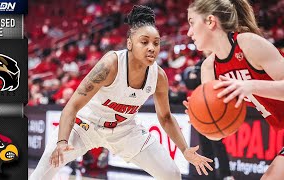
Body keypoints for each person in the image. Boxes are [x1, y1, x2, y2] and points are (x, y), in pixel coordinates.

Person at [29, 5, 213, 180]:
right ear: (130, 44)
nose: (151, 47)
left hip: (124, 131)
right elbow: (72, 106)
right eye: (144, 42)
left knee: (172, 174)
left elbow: (165, 117)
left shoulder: (159, 76)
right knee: (44, 168)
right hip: (85, 125)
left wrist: (184, 149)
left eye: (156, 43)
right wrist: (62, 142)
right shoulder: (110, 65)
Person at [184, 0, 284, 179]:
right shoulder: (209, 68)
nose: (189, 32)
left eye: (192, 23)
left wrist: (250, 85)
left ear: (210, 21)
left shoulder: (247, 43)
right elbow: (218, 134)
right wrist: (202, 119)